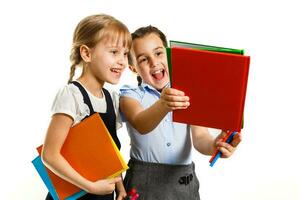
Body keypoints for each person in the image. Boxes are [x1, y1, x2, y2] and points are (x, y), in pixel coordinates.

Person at [120, 25, 241, 200]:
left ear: (169, 54)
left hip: (183, 183)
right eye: (143, 59)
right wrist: (164, 104)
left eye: (158, 53)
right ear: (133, 68)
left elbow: (200, 138)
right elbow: (141, 123)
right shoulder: (130, 95)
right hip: (143, 184)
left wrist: (215, 144)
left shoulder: (188, 91)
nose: (154, 62)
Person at [41, 14, 131, 200]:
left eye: (125, 53)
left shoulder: (112, 99)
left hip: (104, 195)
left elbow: (108, 154)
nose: (122, 61)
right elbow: (49, 155)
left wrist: (120, 188)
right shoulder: (72, 95)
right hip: (76, 195)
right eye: (114, 52)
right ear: (87, 53)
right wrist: (91, 186)